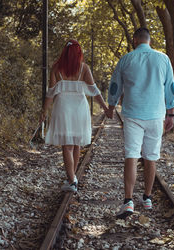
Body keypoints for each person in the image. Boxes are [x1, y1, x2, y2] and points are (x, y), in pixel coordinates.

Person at [107, 28, 174, 219]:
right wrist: (171, 113)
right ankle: (147, 198)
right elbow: (170, 86)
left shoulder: (126, 59)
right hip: (156, 115)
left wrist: (111, 106)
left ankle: (128, 201)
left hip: (132, 115)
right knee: (150, 157)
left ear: (135, 39)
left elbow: (115, 85)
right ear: (149, 40)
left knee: (131, 154)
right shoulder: (163, 59)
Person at [40, 39, 108, 192]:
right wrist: (105, 107)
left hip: (63, 106)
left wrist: (44, 111)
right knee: (76, 143)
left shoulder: (56, 68)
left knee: (68, 145)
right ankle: (72, 179)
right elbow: (95, 90)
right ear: (79, 53)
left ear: (65, 52)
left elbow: (50, 93)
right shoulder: (83, 68)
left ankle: (72, 179)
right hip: (79, 107)